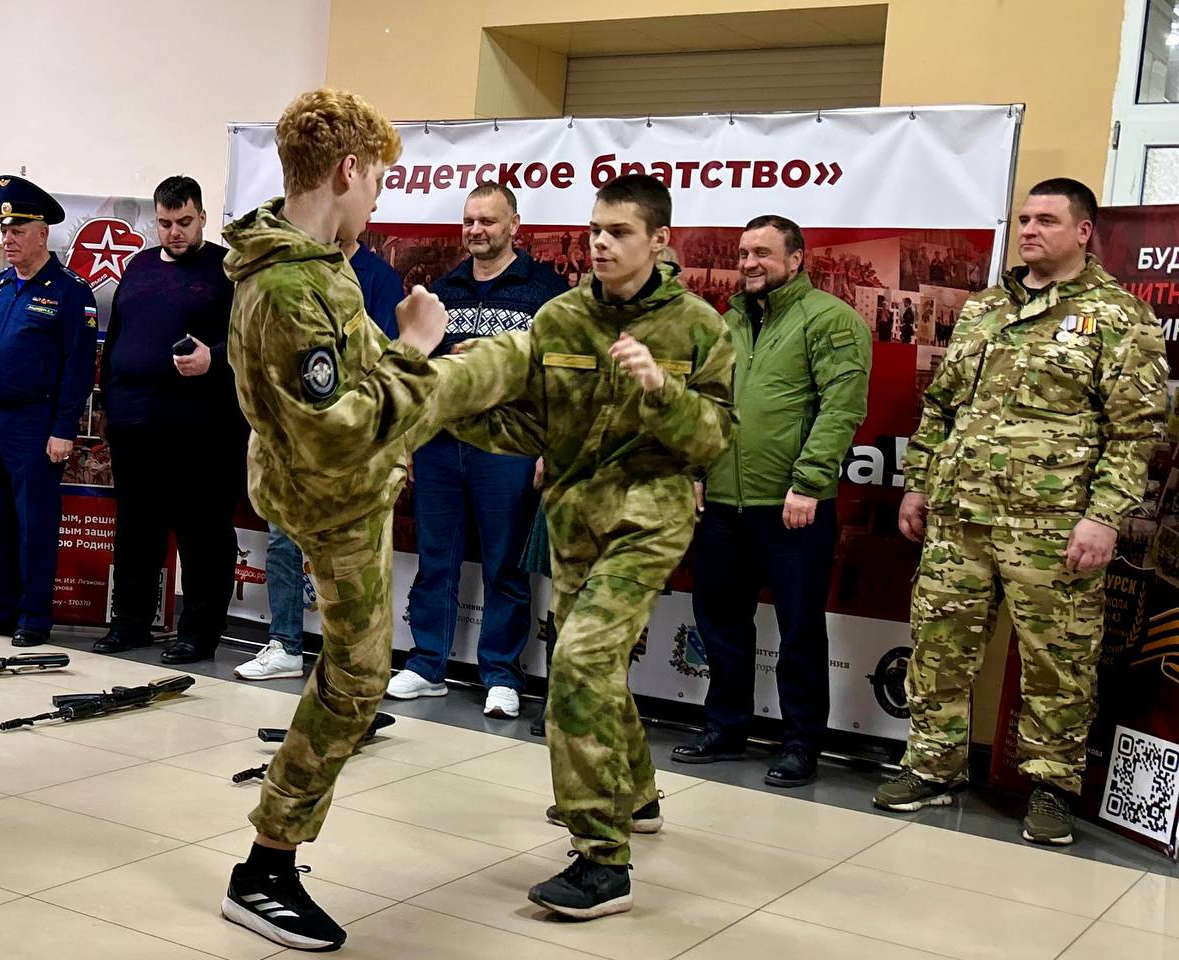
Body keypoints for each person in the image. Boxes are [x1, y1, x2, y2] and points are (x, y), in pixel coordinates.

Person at [216, 87, 529, 952]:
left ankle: (269, 861)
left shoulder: (324, 265)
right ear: (347, 170)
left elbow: (350, 397)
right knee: (353, 687)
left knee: (355, 687)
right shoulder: (286, 287)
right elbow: (337, 428)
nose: (380, 199)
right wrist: (420, 352)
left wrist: (399, 357)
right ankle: (265, 869)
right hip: (334, 498)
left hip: (350, 492)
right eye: (379, 181)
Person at [450, 174, 735, 919]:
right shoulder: (559, 319)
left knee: (578, 663)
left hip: (652, 517)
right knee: (594, 663)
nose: (601, 243)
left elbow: (715, 439)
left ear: (659, 241)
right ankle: (634, 796)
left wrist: (660, 390)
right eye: (595, 231)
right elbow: (528, 429)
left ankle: (602, 858)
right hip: (574, 516)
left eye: (619, 232)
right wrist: (447, 412)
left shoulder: (700, 326)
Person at [872, 178, 1168, 846]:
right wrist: (920, 480)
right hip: (960, 515)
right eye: (1024, 218)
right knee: (940, 645)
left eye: (1045, 220)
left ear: (1083, 231)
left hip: (1054, 524)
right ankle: (933, 765)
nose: (1029, 229)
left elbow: (1136, 430)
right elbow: (944, 403)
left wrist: (1104, 517)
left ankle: (1051, 787)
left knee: (1056, 661)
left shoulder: (1119, 318)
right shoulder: (984, 309)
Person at [672, 216, 871, 787]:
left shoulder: (832, 321)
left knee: (800, 628)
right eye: (743, 253)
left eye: (763, 252)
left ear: (797, 259)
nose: (750, 263)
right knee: (720, 622)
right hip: (724, 505)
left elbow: (841, 408)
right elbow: (706, 400)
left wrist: (808, 483)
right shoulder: (726, 321)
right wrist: (697, 470)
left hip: (793, 507)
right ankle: (726, 728)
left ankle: (801, 743)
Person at [387, 183, 566, 718]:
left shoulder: (545, 291)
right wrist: (414, 438)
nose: (476, 230)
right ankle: (426, 665)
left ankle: (501, 675)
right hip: (443, 444)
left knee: (504, 565)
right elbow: (425, 372)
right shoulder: (444, 290)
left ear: (515, 224)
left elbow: (558, 377)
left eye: (488, 220)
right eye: (469, 220)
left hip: (509, 449)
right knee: (435, 558)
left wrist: (549, 449)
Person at [237, 232, 403, 682]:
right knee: (281, 541)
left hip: (350, 438)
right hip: (291, 435)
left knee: (350, 554)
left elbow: (385, 361)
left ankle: (347, 662)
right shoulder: (294, 275)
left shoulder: (379, 280)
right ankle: (286, 643)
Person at [94, 176, 247, 664]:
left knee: (203, 533)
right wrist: (111, 403)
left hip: (202, 429)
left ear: (203, 216)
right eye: (165, 223)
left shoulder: (228, 269)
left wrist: (215, 358)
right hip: (135, 425)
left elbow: (257, 340)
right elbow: (118, 337)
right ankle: (131, 623)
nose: (175, 232)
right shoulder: (138, 267)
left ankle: (199, 634)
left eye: (184, 222)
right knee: (137, 530)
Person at [0, 176, 97, 647]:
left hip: (34, 424)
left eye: (18, 230)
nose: (8, 240)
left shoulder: (70, 291)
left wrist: (63, 430)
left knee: (34, 523)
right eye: (4, 231)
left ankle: (33, 617)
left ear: (42, 234)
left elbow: (78, 368)